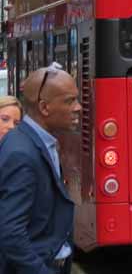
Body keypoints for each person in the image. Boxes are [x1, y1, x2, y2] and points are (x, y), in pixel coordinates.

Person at [0, 63, 81, 274]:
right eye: (70, 101)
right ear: (44, 108)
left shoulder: (40, 141)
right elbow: (11, 233)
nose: (78, 107)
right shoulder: (22, 153)